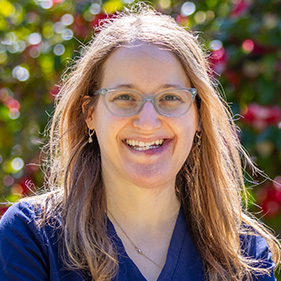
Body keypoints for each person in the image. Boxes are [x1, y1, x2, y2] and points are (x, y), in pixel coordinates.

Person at [0, 3, 280, 281]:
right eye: (124, 97)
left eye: (170, 97)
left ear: (198, 117)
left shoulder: (242, 251)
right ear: (90, 114)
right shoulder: (32, 237)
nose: (147, 121)